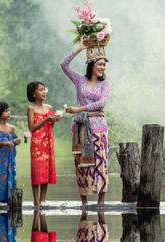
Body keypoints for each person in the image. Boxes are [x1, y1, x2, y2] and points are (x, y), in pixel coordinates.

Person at [60, 35, 110, 205]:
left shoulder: (105, 84)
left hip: (98, 127)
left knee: (101, 162)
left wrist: (78, 109)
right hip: (81, 128)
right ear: (92, 65)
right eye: (100, 64)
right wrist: (79, 49)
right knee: (81, 164)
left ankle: (101, 202)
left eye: (104, 64)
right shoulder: (79, 80)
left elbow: (101, 103)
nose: (102, 67)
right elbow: (63, 65)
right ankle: (84, 202)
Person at [27, 81, 59, 207]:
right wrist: (46, 119)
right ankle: (36, 201)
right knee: (37, 170)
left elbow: (51, 126)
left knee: (46, 170)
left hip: (48, 142)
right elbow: (31, 128)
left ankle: (43, 200)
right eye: (40, 90)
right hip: (37, 143)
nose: (44, 92)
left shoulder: (49, 108)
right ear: (34, 94)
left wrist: (54, 119)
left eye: (44, 89)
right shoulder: (31, 108)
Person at [0, 102, 20, 206]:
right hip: (0, 159)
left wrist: (17, 142)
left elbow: (13, 141)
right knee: (0, 177)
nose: (9, 113)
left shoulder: (11, 128)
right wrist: (4, 143)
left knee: (12, 175)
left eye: (9, 111)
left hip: (10, 158)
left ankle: (12, 200)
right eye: (6, 111)